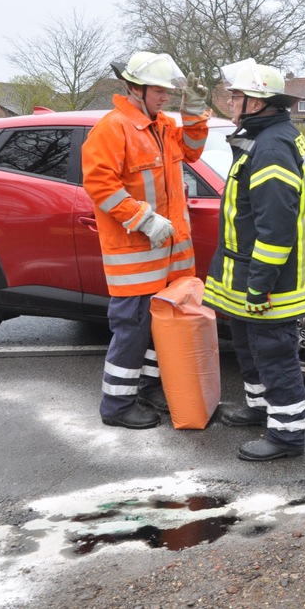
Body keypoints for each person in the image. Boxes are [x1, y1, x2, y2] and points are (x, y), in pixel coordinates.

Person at [82, 51, 209, 428]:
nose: (165, 96)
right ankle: (117, 407)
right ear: (135, 89)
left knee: (159, 330)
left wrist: (196, 111)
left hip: (169, 259)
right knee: (133, 330)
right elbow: (100, 185)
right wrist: (143, 219)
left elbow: (193, 150)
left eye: (166, 91)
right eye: (158, 90)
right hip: (136, 257)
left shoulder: (163, 126)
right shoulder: (112, 128)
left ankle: (151, 388)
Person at [204, 59, 305, 462]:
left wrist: (259, 284)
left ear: (259, 102)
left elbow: (277, 228)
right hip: (249, 275)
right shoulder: (266, 136)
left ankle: (286, 437)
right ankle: (260, 408)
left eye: (237, 95)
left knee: (275, 355)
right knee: (251, 347)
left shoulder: (271, 148)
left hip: (269, 282)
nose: (231, 101)